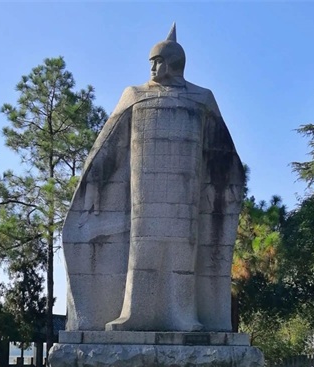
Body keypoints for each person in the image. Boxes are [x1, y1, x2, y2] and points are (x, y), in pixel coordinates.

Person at [62, 24, 244, 332]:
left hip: (186, 197)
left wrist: (223, 192)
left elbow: (223, 151)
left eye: (157, 61)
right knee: (142, 249)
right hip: (143, 193)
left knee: (183, 251)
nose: (152, 67)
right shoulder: (135, 95)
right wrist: (93, 189)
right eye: (151, 62)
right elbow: (106, 148)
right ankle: (134, 312)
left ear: (173, 63)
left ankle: (184, 314)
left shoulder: (202, 99)